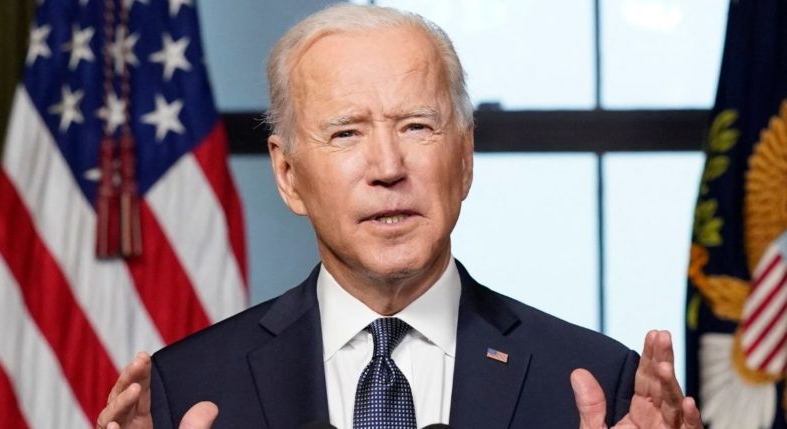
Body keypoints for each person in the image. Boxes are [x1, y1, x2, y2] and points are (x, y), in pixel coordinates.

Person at [97, 4, 703, 429]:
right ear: (288, 175)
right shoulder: (189, 390)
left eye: (417, 126)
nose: (387, 166)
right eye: (346, 133)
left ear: (464, 158)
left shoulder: (596, 381)